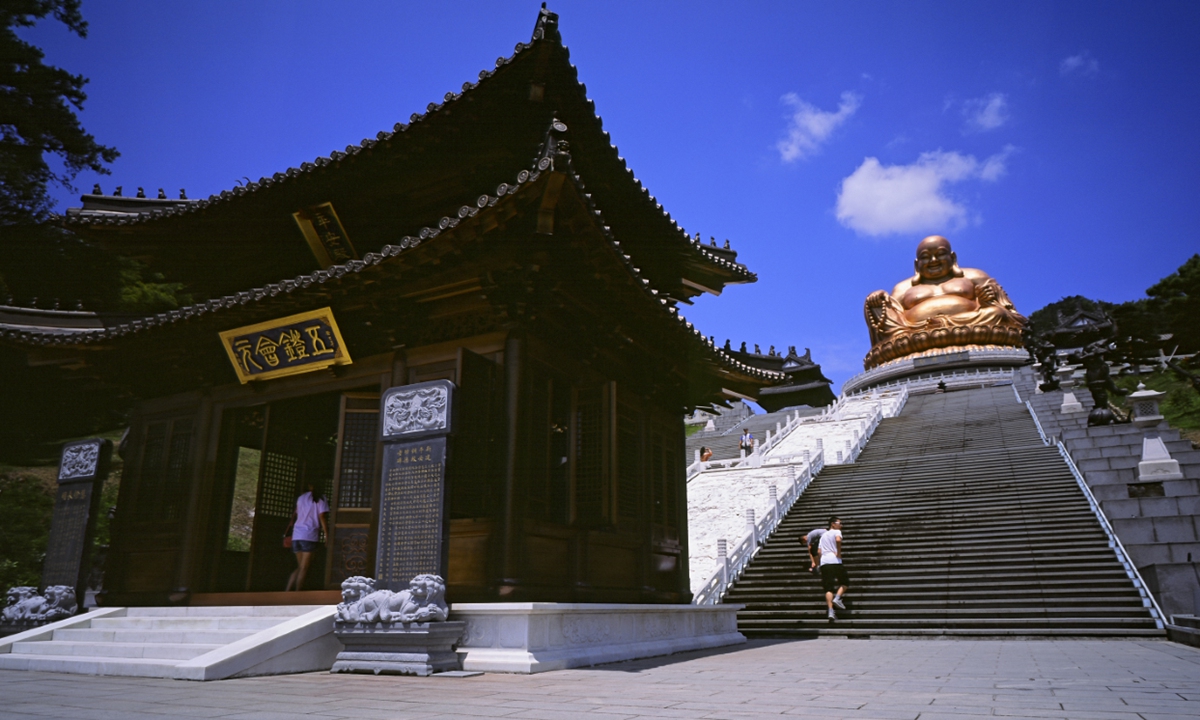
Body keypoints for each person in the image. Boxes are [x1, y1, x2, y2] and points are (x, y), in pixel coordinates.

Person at [862, 235, 1026, 368]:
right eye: (925, 257)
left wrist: (988, 301)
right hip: (916, 331)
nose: (933, 260)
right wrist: (877, 299)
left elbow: (1009, 311)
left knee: (996, 313)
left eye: (940, 254)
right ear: (917, 264)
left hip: (972, 326)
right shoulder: (903, 287)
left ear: (952, 257)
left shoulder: (974, 275)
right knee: (878, 309)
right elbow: (890, 316)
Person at [285, 483, 329, 592]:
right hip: (309, 535)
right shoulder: (321, 498)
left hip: (296, 535)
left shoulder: (301, 498)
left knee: (300, 567)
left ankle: (287, 591)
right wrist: (327, 535)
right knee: (304, 568)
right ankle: (297, 593)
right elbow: (322, 517)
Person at [818, 516, 848, 622]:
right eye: (839, 523)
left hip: (824, 562)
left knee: (828, 588)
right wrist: (838, 553)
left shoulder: (823, 535)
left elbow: (819, 551)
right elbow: (838, 540)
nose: (841, 525)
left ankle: (831, 611)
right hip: (835, 561)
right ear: (833, 524)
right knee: (845, 582)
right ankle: (837, 598)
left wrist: (821, 561)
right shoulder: (837, 532)